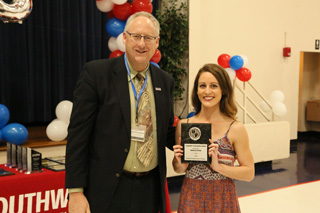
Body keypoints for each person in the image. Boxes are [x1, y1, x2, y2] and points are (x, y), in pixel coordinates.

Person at [65, 12, 175, 213]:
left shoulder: (164, 81)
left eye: (148, 38)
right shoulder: (96, 74)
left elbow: (166, 131)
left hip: (149, 190)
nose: (142, 44)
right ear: (124, 38)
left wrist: (195, 139)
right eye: (136, 36)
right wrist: (75, 192)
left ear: (156, 42)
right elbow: (78, 136)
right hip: (108, 190)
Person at [173, 64, 255, 212]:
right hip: (191, 199)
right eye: (202, 85)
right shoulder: (185, 125)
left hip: (222, 199)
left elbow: (249, 173)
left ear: (223, 90)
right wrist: (179, 162)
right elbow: (179, 169)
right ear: (196, 90)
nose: (207, 91)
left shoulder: (235, 128)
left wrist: (218, 167)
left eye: (214, 86)